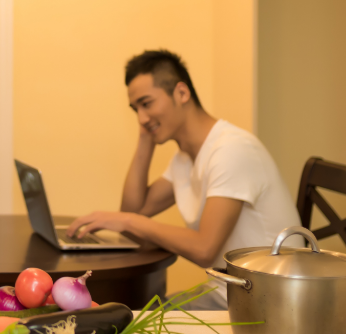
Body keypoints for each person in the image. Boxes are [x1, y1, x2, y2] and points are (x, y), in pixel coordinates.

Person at [65, 49, 300, 309]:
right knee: (125, 313)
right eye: (135, 109)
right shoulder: (185, 158)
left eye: (147, 103)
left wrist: (129, 220)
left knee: (127, 322)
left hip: (267, 304)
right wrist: (146, 138)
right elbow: (133, 213)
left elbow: (204, 249)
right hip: (227, 291)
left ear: (181, 93)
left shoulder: (232, 150)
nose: (141, 118)